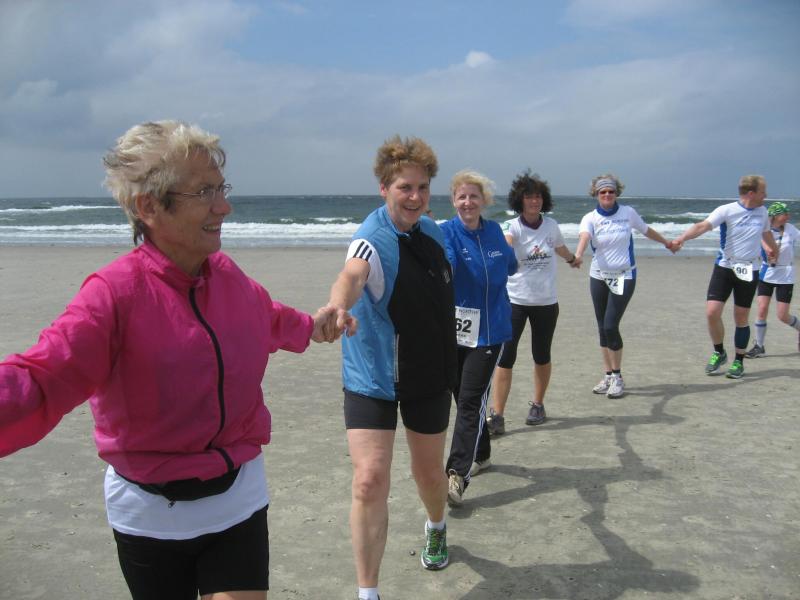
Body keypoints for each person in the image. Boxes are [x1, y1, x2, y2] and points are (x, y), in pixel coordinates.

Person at [0, 120, 346, 600]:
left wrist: (313, 327)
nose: (223, 206)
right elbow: (42, 377)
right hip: (149, 513)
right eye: (204, 192)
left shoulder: (227, 276)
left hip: (238, 496)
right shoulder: (113, 294)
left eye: (221, 188)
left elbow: (265, 318)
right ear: (149, 207)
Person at [325, 135, 457, 600]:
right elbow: (352, 274)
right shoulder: (370, 239)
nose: (415, 197)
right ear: (384, 188)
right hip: (372, 377)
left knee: (429, 475)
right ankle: (368, 592)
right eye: (405, 187)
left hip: (426, 374)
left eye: (422, 187)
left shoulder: (434, 233)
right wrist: (338, 307)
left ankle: (436, 525)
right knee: (368, 481)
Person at [439, 170, 517, 506]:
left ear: (484, 200)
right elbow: (447, 266)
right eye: (462, 197)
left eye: (474, 196)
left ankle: (456, 475)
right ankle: (482, 453)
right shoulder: (445, 232)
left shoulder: (495, 231)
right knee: (464, 398)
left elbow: (511, 265)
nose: (468, 202)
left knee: (470, 400)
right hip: (454, 332)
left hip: (491, 332)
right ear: (454, 201)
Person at [487, 171, 581, 438]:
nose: (534, 201)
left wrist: (572, 259)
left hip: (546, 302)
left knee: (542, 354)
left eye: (538, 196)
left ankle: (538, 405)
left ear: (544, 200)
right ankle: (498, 415)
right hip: (515, 301)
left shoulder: (551, 226)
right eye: (529, 196)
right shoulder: (512, 227)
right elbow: (506, 246)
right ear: (520, 200)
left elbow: (559, 247)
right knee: (506, 357)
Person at [574, 174, 674, 398]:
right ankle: (608, 375)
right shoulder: (590, 217)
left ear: (616, 193)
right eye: (603, 192)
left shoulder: (628, 213)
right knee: (602, 327)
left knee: (611, 325)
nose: (607, 195)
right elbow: (584, 237)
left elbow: (646, 230)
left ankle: (618, 377)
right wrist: (578, 255)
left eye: (611, 191)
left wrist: (667, 243)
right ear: (596, 194)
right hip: (599, 276)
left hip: (624, 276)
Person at [672, 175, 778, 378]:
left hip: (750, 269)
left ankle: (738, 361)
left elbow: (766, 234)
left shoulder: (763, 212)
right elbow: (702, 226)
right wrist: (681, 238)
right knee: (712, 312)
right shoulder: (726, 210)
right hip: (725, 267)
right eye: (763, 192)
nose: (765, 195)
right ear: (751, 193)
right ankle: (719, 352)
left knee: (741, 316)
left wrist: (773, 249)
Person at [745, 201, 800, 356]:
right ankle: (759, 346)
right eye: (784, 213)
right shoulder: (763, 230)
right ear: (774, 216)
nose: (788, 216)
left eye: (788, 213)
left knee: (782, 316)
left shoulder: (791, 229)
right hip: (767, 274)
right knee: (762, 309)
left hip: (786, 276)